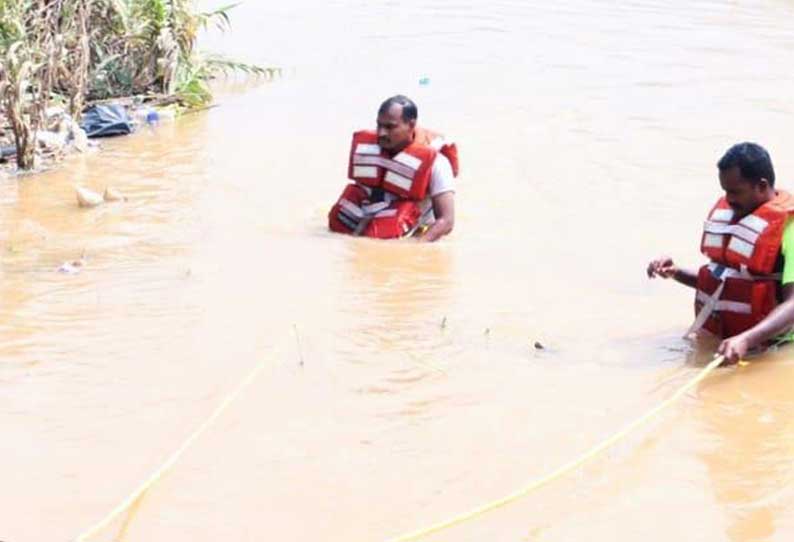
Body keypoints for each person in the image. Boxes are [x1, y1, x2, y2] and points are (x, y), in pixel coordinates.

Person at [647, 142, 794, 364]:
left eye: (735, 192)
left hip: (774, 349)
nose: (729, 199)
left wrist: (746, 339)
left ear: (762, 186)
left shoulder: (789, 231)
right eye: (725, 191)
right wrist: (675, 272)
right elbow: (728, 285)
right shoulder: (738, 218)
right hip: (732, 346)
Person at [328, 95, 458, 242]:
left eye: (390, 127)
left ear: (411, 125)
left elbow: (447, 221)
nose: (381, 133)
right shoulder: (368, 151)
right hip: (370, 224)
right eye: (379, 125)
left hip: (408, 232)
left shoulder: (437, 163)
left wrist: (417, 247)